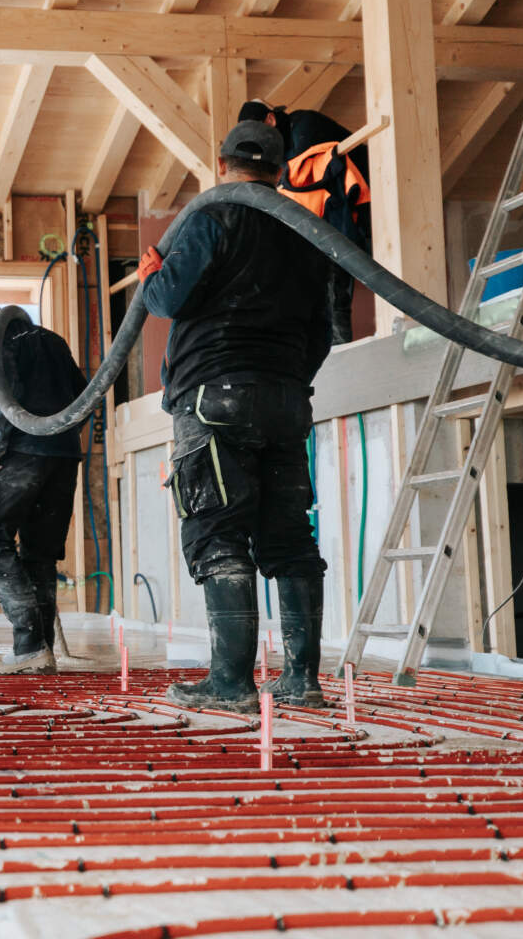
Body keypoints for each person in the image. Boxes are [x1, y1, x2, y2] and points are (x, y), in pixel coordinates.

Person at [135, 120, 334, 712]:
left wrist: (151, 277)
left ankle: (231, 684)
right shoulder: (306, 232)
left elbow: (168, 300)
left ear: (222, 166)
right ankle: (302, 680)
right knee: (290, 539)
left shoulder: (211, 215)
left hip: (213, 396)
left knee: (217, 532)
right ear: (279, 171)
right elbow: (322, 334)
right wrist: (286, 380)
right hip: (286, 399)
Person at [0, 299, 87, 674]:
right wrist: (58, 442)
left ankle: (29, 643)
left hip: (20, 451)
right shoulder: (51, 340)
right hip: (63, 456)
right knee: (40, 554)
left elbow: (1, 395)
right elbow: (85, 395)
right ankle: (40, 651)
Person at [239, 99, 371, 343]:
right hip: (335, 224)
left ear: (271, 120)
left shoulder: (304, 124)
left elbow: (297, 177)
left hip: (367, 208)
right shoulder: (281, 149)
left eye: (258, 132)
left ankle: (338, 354)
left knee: (333, 285)